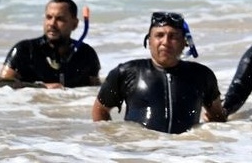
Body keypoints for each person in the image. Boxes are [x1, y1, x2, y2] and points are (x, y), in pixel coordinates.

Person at [92, 11, 225, 134]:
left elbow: (217, 116)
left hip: (186, 150)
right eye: (159, 35)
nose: (165, 42)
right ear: (149, 41)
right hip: (140, 152)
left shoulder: (201, 75)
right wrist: (111, 141)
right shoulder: (126, 72)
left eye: (173, 36)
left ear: (185, 42)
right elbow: (100, 110)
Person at [0, 0, 101, 88]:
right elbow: (1, 86)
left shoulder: (87, 54)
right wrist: (40, 87)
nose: (52, 23)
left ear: (74, 24)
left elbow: (95, 91)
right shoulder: (24, 50)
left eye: (60, 19)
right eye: (49, 17)